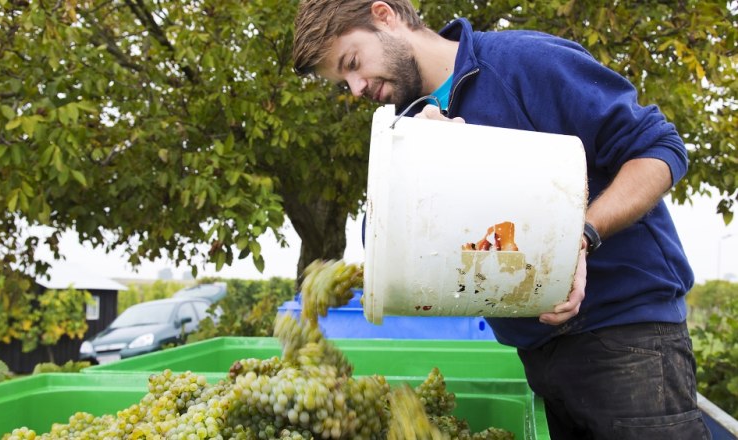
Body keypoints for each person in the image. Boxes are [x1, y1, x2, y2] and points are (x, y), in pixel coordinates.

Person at [292, 1, 712, 439]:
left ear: (385, 15)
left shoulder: (524, 62)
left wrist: (581, 236)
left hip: (629, 340)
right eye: (344, 82)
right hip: (539, 357)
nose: (356, 88)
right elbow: (390, 246)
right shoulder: (407, 128)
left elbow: (660, 149)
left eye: (353, 63)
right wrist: (428, 172)